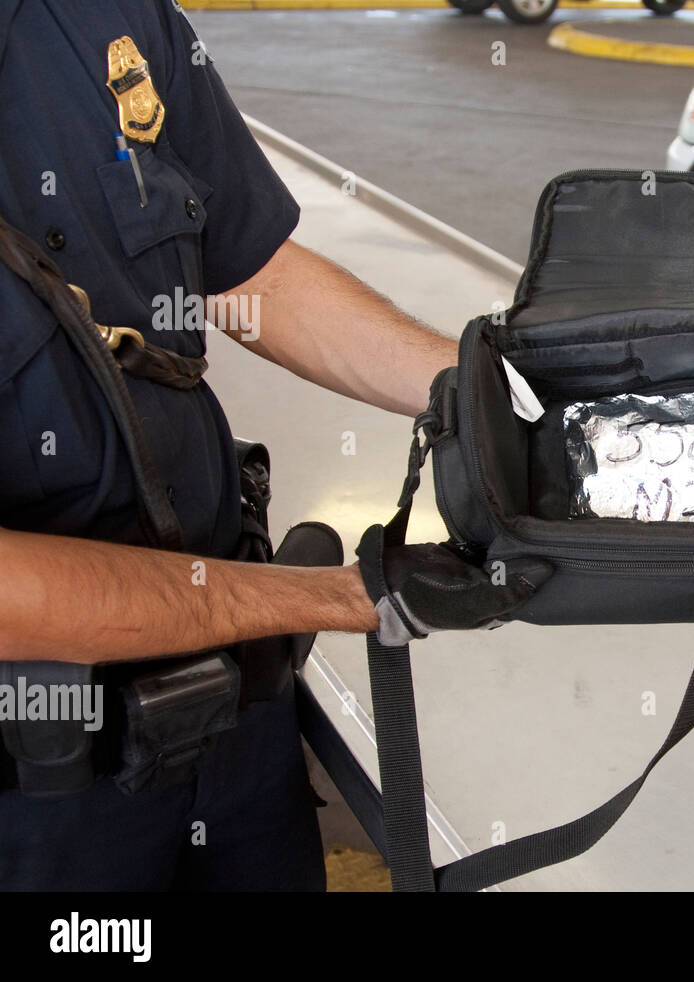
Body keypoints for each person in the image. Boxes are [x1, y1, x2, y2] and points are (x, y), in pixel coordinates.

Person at [0, 0, 548, 890]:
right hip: (42, 813)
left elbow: (257, 275)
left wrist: (497, 395)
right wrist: (340, 596)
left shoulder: (113, 19)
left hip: (239, 736)